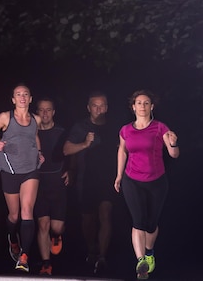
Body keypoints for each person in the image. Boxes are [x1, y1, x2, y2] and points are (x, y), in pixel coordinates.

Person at [114, 90, 180, 280]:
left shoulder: (160, 128)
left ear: (152, 107)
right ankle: (140, 261)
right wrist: (119, 176)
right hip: (132, 180)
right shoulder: (125, 130)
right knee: (138, 222)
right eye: (139, 103)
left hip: (156, 181)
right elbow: (122, 152)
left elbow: (174, 155)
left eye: (146, 103)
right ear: (133, 107)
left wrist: (174, 144)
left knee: (151, 225)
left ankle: (149, 252)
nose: (142, 106)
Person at [0, 84, 44, 273]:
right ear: (13, 99)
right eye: (18, 95)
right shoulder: (5, 117)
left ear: (30, 98)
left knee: (28, 210)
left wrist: (40, 152)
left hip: (30, 169)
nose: (22, 97)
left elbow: (34, 137)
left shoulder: (36, 119)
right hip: (9, 169)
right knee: (14, 215)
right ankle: (12, 237)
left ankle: (24, 257)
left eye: (25, 94)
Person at [63, 91, 120, 275]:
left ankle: (102, 256)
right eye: (95, 105)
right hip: (85, 179)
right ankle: (92, 249)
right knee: (88, 219)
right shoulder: (81, 127)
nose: (98, 109)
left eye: (102, 105)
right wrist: (84, 145)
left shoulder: (114, 128)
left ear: (107, 108)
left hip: (108, 178)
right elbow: (66, 150)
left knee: (105, 213)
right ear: (88, 108)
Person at [34, 97, 69, 276]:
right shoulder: (32, 133)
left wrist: (70, 170)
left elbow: (71, 154)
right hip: (38, 184)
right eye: (41, 110)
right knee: (43, 225)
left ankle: (56, 236)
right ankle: (46, 264)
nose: (45, 113)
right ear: (37, 113)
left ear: (54, 112)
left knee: (56, 228)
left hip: (57, 184)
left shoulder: (62, 132)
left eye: (48, 110)